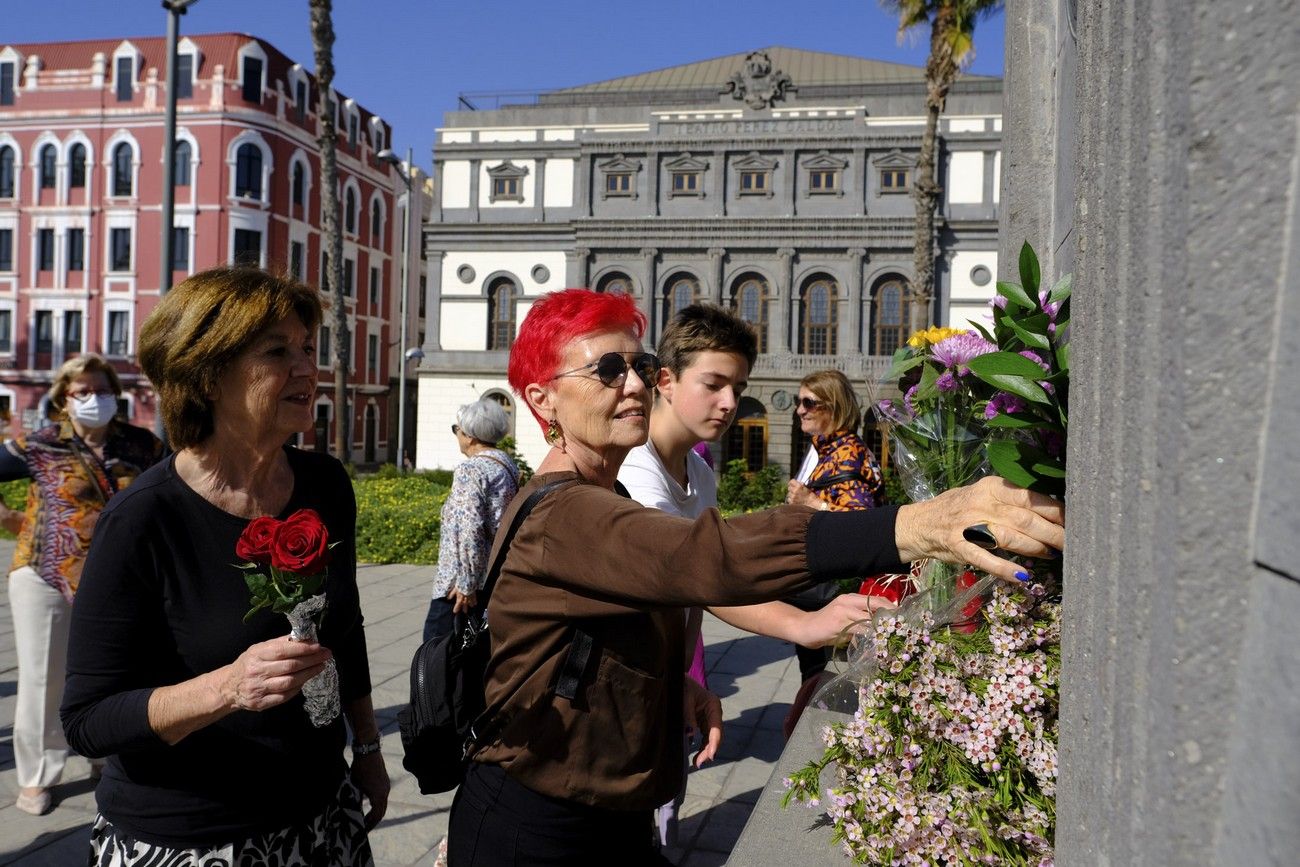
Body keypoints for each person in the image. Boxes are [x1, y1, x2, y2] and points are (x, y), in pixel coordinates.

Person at [447, 288, 1064, 866]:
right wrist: (911, 525)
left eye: (640, 364)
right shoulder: (563, 511)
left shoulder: (608, 494)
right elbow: (705, 557)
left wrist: (673, 685)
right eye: (607, 370)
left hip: (610, 810)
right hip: (537, 824)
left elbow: (645, 606)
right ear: (542, 399)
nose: (634, 384)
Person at [60, 268, 388, 864]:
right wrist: (227, 688)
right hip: (188, 836)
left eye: (308, 349)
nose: (306, 369)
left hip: (321, 815)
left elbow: (346, 627)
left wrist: (366, 749)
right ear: (207, 375)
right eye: (277, 352)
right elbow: (87, 720)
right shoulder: (141, 520)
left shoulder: (326, 484)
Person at [617, 304, 896, 849]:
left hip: (659, 679)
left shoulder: (695, 469)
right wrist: (805, 623)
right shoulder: (635, 472)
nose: (728, 402)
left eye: (737, 386)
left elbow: (707, 579)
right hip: (621, 693)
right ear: (666, 381)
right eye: (714, 384)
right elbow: (698, 579)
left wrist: (684, 679)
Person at [0, 355, 161, 816]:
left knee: (113, 672)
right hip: (45, 575)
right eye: (82, 392)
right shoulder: (40, 444)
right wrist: (9, 518)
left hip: (115, 580)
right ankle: (37, 775)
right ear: (64, 400)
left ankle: (104, 754)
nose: (95, 399)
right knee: (43, 678)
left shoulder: (141, 445)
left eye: (102, 389)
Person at [784, 369, 887, 693]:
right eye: (798, 402)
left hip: (832, 590)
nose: (800, 409)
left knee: (825, 683)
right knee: (815, 674)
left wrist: (813, 502)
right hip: (821, 586)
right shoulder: (827, 448)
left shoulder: (846, 454)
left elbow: (862, 525)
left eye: (808, 402)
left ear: (834, 406)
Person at [423, 398, 520, 644]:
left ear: (470, 436)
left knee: (435, 662)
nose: (457, 435)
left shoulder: (471, 470)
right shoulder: (505, 465)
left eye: (457, 429)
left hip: (459, 589)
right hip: (492, 578)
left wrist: (466, 584)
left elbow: (470, 529)